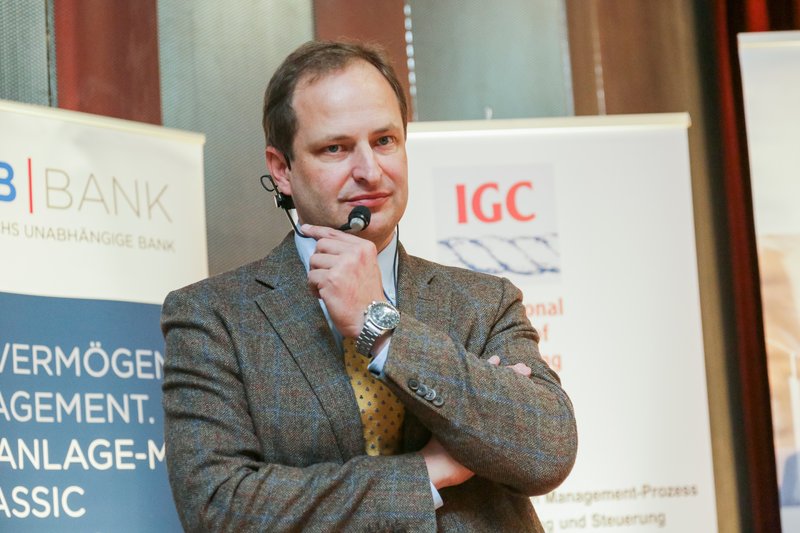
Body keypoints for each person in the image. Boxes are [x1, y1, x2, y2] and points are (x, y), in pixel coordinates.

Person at [161, 40, 577, 532]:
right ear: (282, 169)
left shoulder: (483, 302)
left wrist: (383, 330)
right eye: (335, 148)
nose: (370, 171)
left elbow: (547, 450)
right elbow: (219, 508)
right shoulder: (212, 318)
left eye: (384, 141)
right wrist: (428, 472)